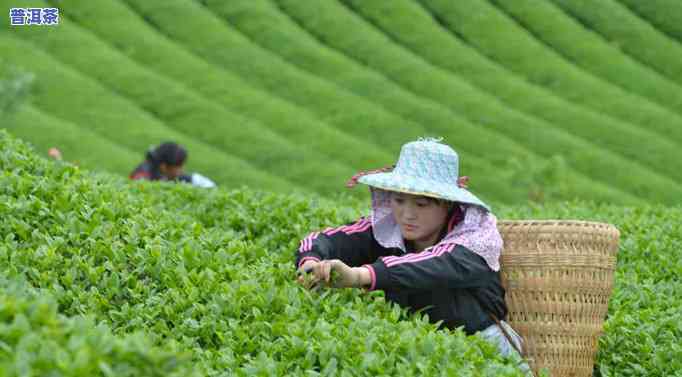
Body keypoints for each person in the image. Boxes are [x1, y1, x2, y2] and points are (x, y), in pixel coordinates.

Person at [295, 138, 530, 372]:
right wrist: (311, 261)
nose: (407, 214)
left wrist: (359, 276)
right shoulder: (388, 229)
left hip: (484, 352)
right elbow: (325, 239)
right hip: (421, 354)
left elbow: (431, 264)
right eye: (398, 200)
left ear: (447, 204)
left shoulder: (473, 240)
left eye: (421, 204)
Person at [129, 142, 216, 188]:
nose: (182, 170)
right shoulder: (142, 177)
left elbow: (202, 182)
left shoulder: (168, 175)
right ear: (164, 167)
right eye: (179, 167)